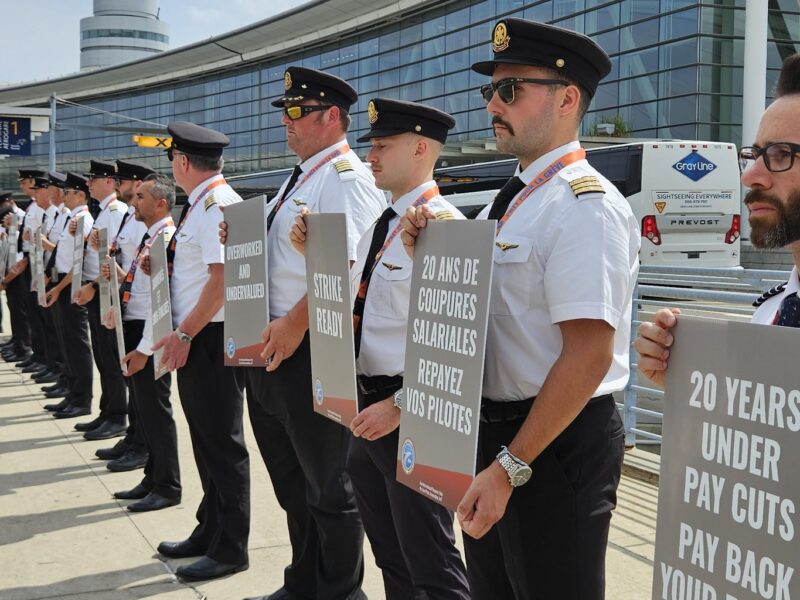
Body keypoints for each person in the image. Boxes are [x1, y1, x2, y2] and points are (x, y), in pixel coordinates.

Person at [401, 18, 639, 600]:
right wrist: (429, 244)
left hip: (554, 445)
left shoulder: (585, 206)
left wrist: (511, 467)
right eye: (491, 91)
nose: (492, 106)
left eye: (510, 90)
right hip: (500, 438)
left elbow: (588, 354)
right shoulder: (510, 203)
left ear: (566, 98)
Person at [290, 97, 470, 600]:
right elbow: (358, 309)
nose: (371, 154)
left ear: (419, 149)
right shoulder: (381, 225)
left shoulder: (443, 227)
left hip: (413, 411)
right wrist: (314, 256)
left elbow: (459, 345)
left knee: (432, 561)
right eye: (370, 144)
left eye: (383, 145)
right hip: (369, 409)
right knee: (392, 555)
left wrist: (401, 405)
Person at [229, 65, 384, 600]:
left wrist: (295, 324)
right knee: (294, 484)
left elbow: (350, 268)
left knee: (329, 486)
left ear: (332, 117)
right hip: (273, 350)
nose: (286, 123)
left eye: (297, 112)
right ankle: (304, 584)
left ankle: (341, 592)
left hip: (313, 347)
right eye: (285, 112)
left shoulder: (347, 179)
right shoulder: (298, 178)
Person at [636, 53, 800, 384]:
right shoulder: (772, 312)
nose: (750, 176)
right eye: (754, 156)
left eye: (780, 154)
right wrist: (687, 387)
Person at [153, 121, 250, 582]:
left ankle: (230, 547)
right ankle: (210, 529)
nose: (172, 169)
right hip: (198, 336)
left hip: (210, 337)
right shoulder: (201, 205)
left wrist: (185, 334)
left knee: (222, 444)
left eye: (173, 160)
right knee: (205, 442)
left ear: (183, 162)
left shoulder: (216, 205)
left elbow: (223, 278)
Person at [104, 173, 181, 512]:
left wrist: (145, 349)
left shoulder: (165, 236)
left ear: (161, 203)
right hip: (141, 329)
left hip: (152, 335)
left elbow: (161, 303)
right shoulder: (153, 237)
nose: (133, 203)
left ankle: (167, 484)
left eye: (141, 197)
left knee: (156, 410)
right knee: (145, 409)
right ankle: (153, 477)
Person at [97, 159, 155, 472]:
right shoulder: (131, 217)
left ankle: (141, 445)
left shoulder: (144, 220)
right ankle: (134, 437)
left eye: (124, 183)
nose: (121, 190)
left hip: (144, 311)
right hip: (129, 305)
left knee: (146, 393)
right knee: (134, 386)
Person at [71, 160, 128, 437]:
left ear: (109, 181)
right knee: (103, 357)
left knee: (111, 358)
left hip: (106, 292)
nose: (89, 183)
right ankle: (107, 412)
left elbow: (115, 258)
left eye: (94, 178)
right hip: (98, 290)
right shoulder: (105, 212)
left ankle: (117, 416)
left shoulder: (116, 212)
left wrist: (92, 285)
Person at [42, 172, 95, 418]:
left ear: (81, 195)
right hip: (64, 284)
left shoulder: (83, 219)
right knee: (68, 342)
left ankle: (82, 399)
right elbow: (61, 257)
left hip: (73, 286)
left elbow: (78, 262)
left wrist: (59, 287)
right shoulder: (71, 218)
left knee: (77, 344)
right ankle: (73, 393)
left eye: (69, 192)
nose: (64, 195)